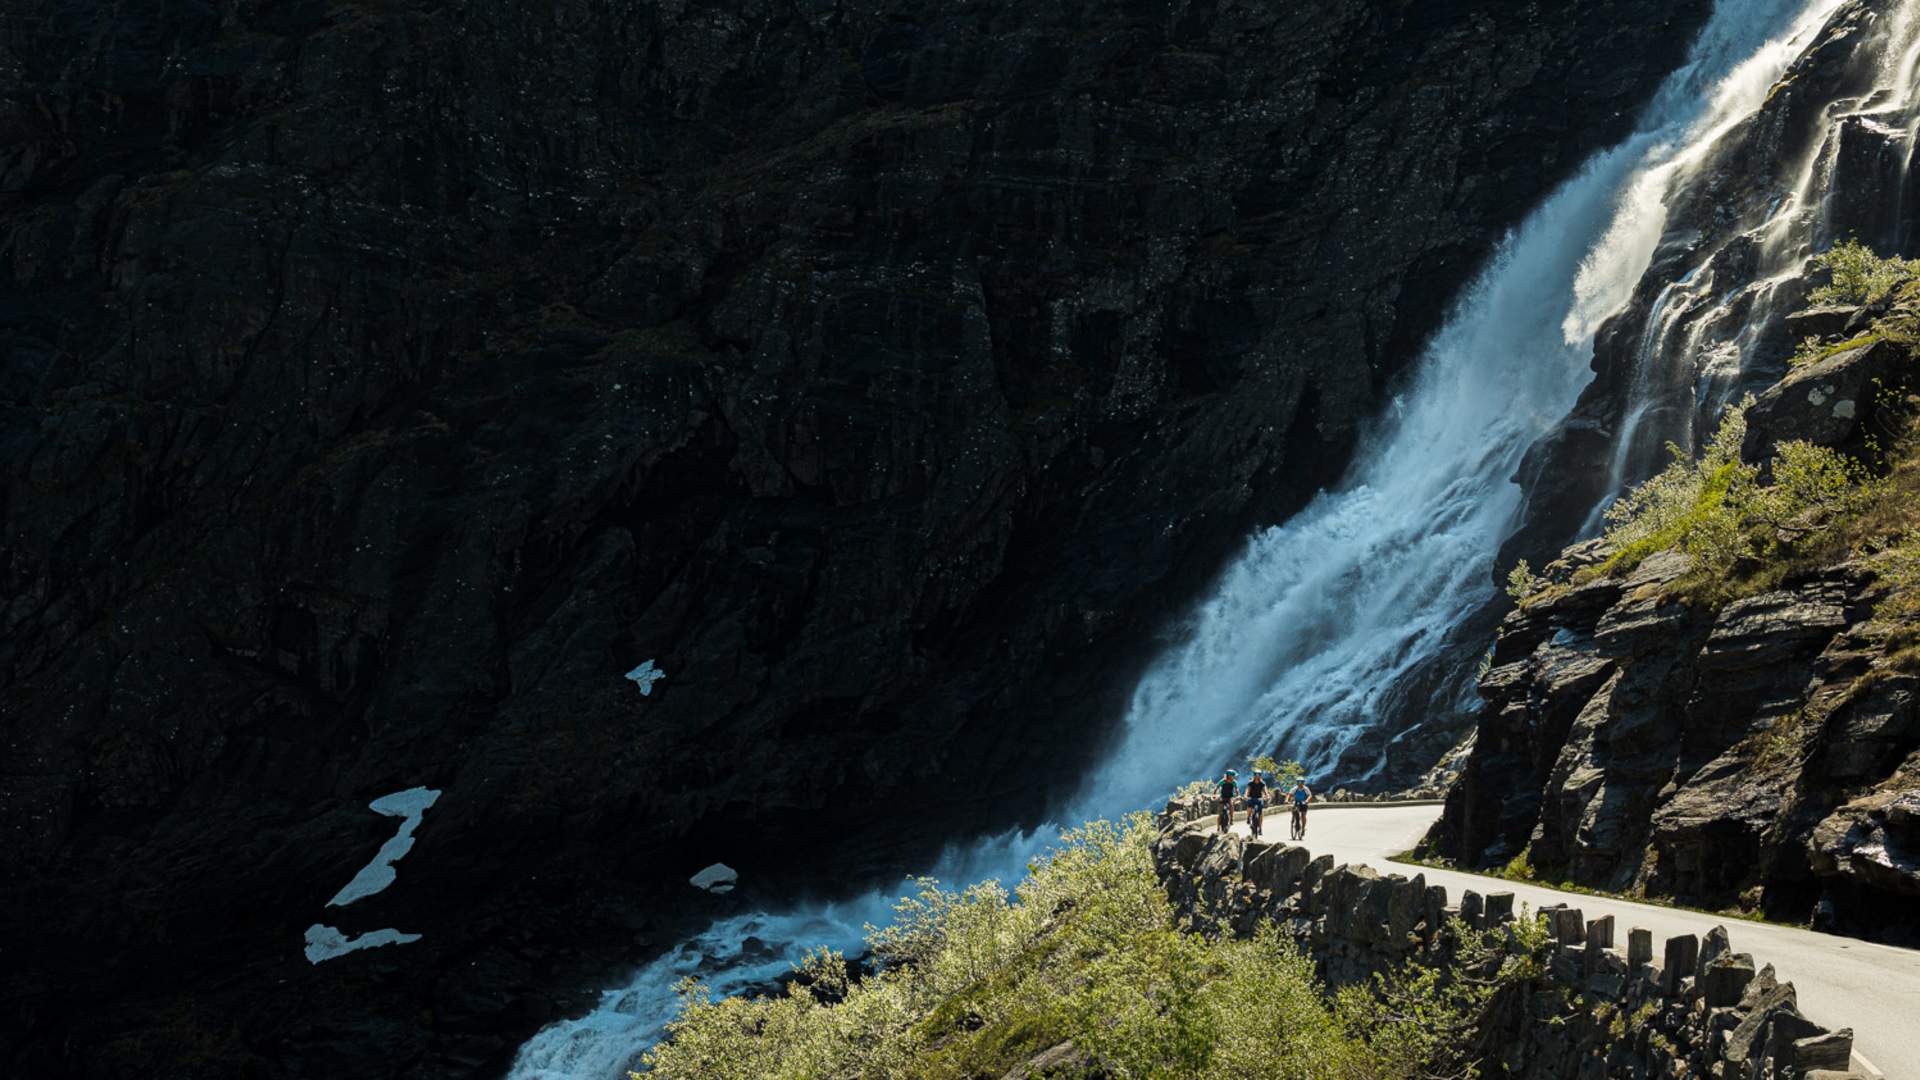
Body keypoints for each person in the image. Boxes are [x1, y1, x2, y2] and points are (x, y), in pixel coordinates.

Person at [1243, 771, 1268, 838]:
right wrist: (1245, 795)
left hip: (1259, 798)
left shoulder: (1262, 783)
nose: (1257, 777)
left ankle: (1260, 827)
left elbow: (1265, 791)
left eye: (1258, 775)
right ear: (1254, 776)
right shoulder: (1250, 783)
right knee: (1249, 806)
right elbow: (1247, 790)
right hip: (1252, 798)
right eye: (1256, 775)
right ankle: (1248, 817)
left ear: (1260, 776)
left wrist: (1267, 796)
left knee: (1261, 813)